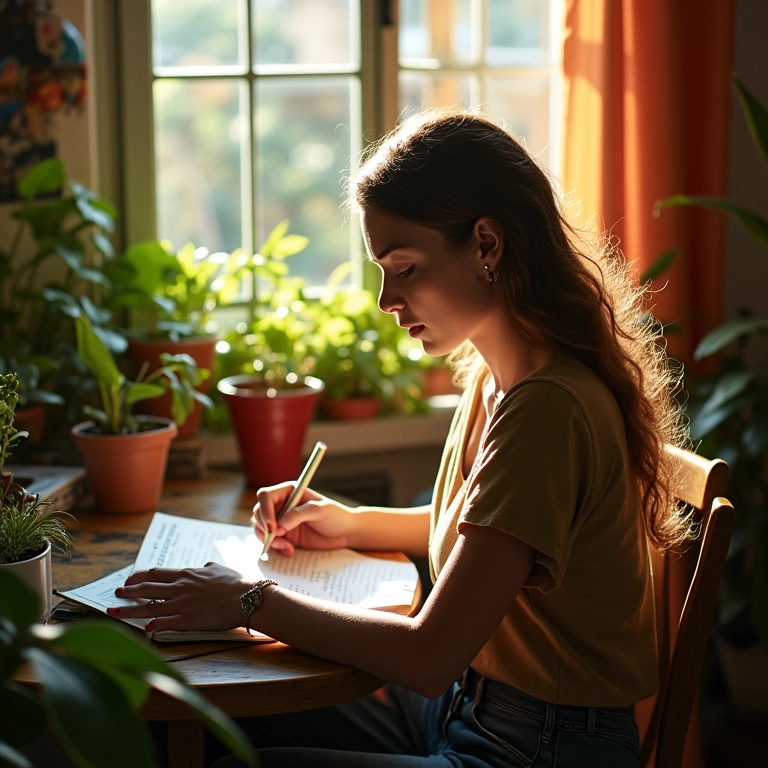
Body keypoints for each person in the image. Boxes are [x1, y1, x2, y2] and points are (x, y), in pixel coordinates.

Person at [113, 110, 692, 768]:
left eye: (405, 267)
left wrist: (248, 600)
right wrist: (352, 524)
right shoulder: (497, 378)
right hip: (469, 708)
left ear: (486, 244)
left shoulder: (547, 410)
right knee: (202, 712)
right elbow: (494, 538)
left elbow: (426, 655)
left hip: (534, 747)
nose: (387, 299)